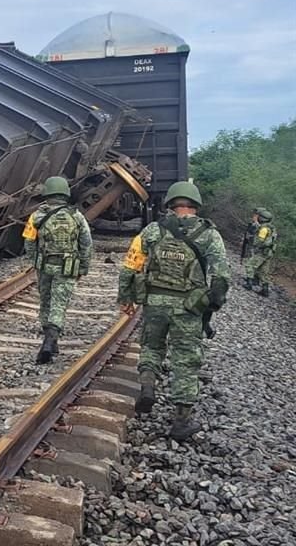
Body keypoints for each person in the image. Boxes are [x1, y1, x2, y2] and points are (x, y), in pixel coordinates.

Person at [117, 181, 230, 440]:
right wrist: (211, 304)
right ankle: (181, 423)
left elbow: (130, 266)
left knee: (151, 347)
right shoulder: (209, 234)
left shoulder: (152, 231)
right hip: (188, 308)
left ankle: (147, 386)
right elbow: (221, 276)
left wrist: (126, 297)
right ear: (195, 205)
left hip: (154, 302)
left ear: (170, 204)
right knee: (186, 359)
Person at [22, 176, 92, 365]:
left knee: (45, 301)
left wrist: (35, 261)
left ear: (47, 193)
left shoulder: (36, 216)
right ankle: (51, 340)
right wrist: (83, 267)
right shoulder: (76, 216)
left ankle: (49, 340)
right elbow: (86, 243)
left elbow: (29, 241)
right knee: (59, 303)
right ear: (65, 193)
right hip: (67, 267)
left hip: (45, 265)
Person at [244, 208, 277, 296]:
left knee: (249, 265)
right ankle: (265, 290)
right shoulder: (271, 227)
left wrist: (253, 237)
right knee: (263, 271)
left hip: (262, 252)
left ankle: (249, 283)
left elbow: (258, 241)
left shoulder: (263, 229)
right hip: (269, 253)